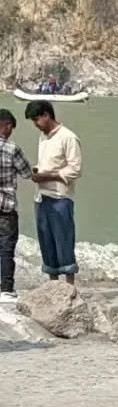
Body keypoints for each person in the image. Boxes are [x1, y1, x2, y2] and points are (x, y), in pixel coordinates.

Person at [24, 99, 82, 287]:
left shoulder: (68, 137)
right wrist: (37, 172)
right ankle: (53, 286)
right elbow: (46, 164)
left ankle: (69, 286)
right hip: (41, 196)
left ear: (46, 116)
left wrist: (50, 176)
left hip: (60, 197)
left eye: (36, 120)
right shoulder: (44, 137)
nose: (35, 125)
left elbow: (75, 170)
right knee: (46, 240)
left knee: (63, 239)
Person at [0, 108, 32, 304]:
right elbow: (28, 172)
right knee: (5, 248)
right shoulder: (12, 149)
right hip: (5, 207)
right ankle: (5, 288)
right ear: (7, 126)